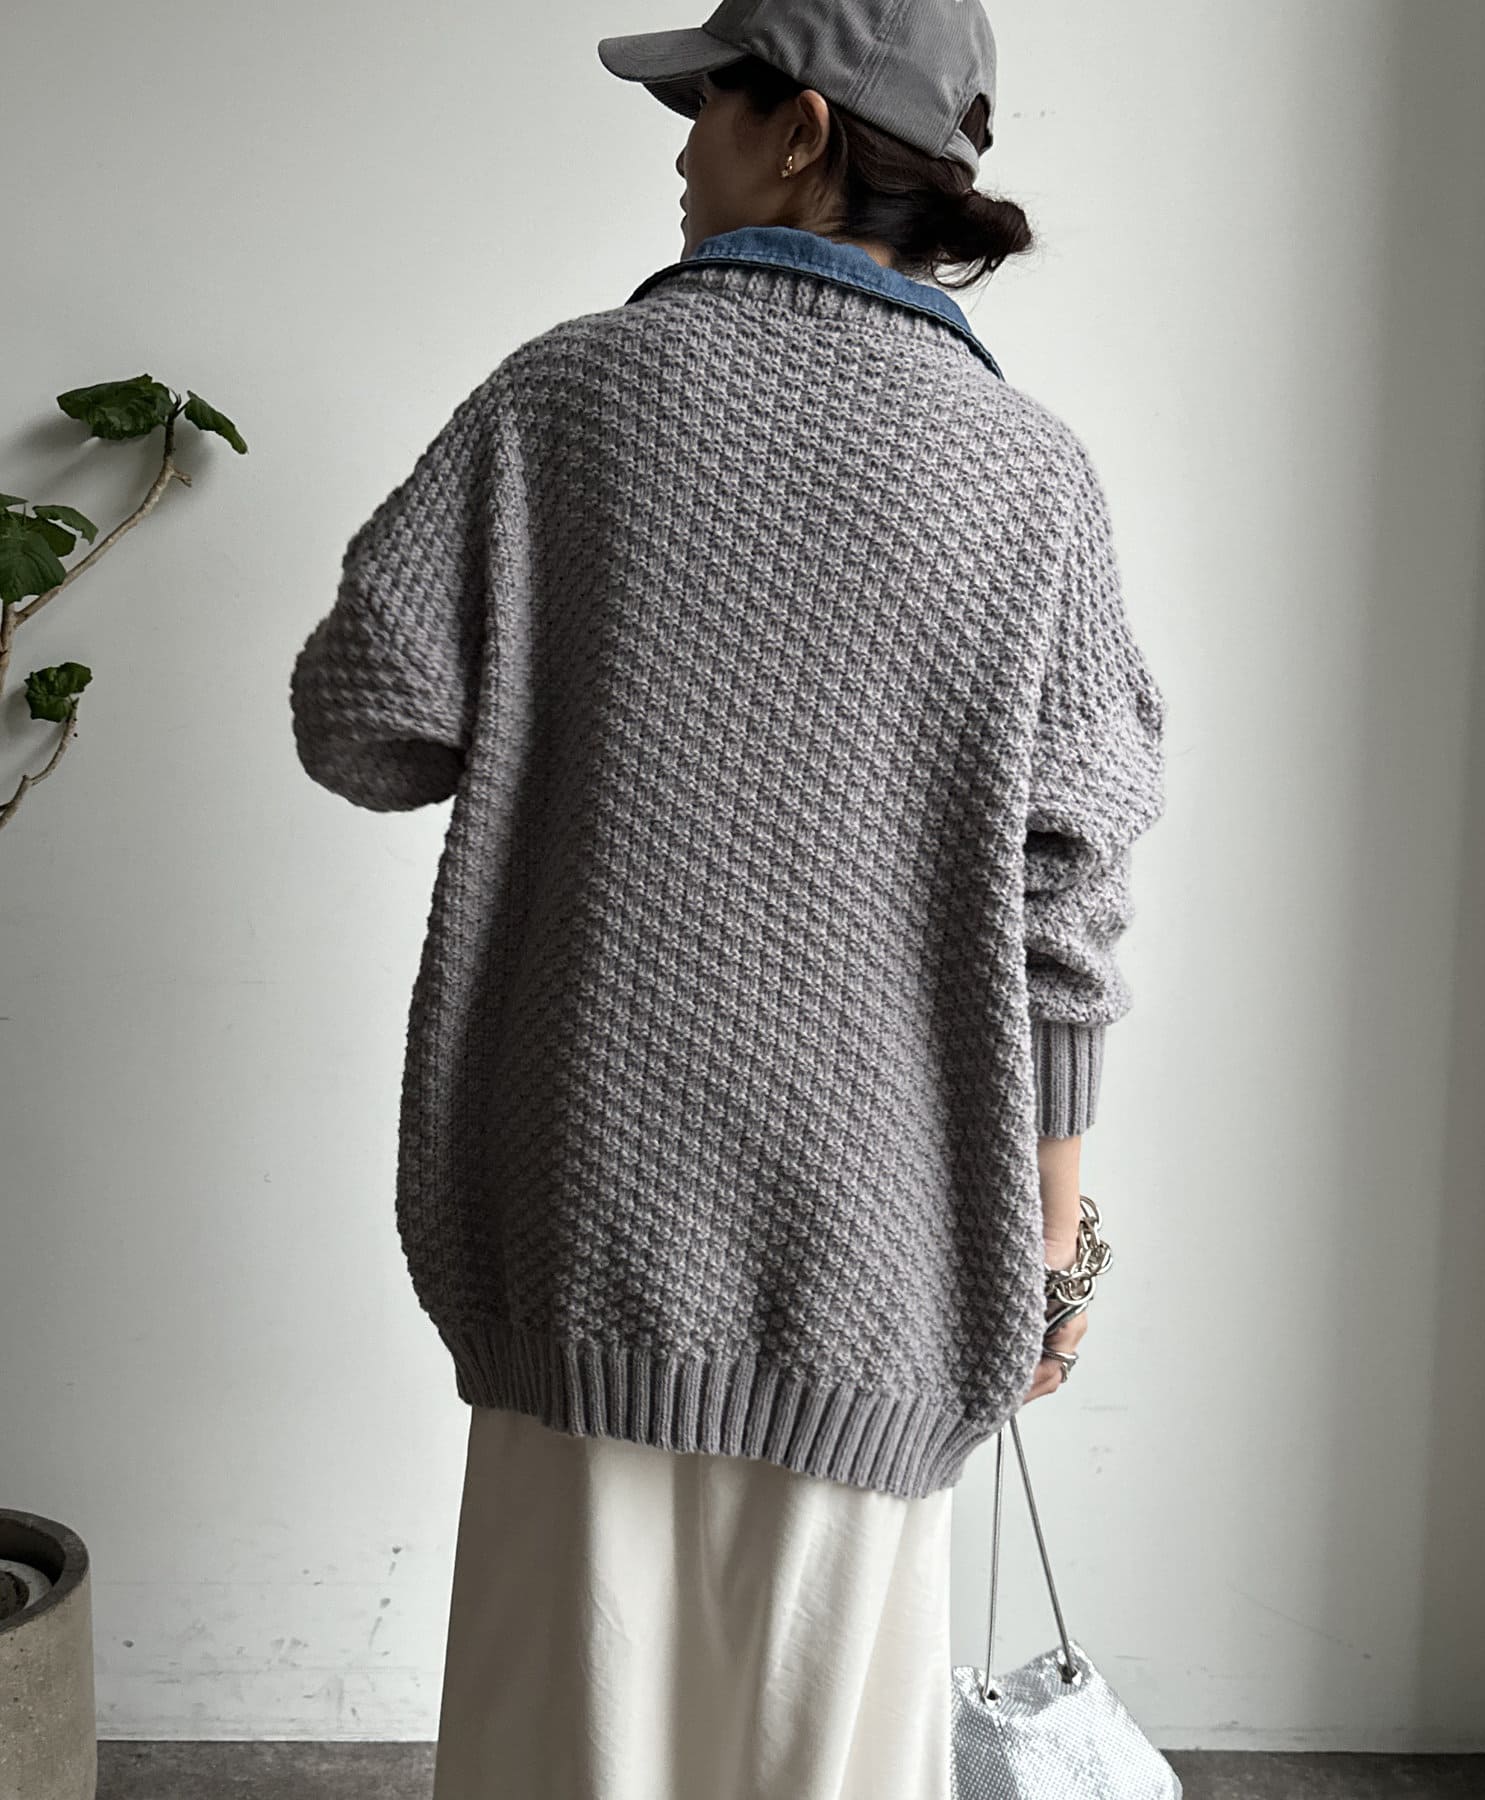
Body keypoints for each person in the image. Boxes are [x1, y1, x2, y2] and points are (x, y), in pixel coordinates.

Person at [287, 3, 1168, 1795]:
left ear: (803, 132)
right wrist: (1055, 1246)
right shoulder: (1035, 481)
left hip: (581, 1213)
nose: (681, 146)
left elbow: (362, 718)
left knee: (567, 1741)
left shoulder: (566, 396)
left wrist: (580, 672)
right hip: (885, 1252)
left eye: (706, 103)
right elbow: (1065, 905)